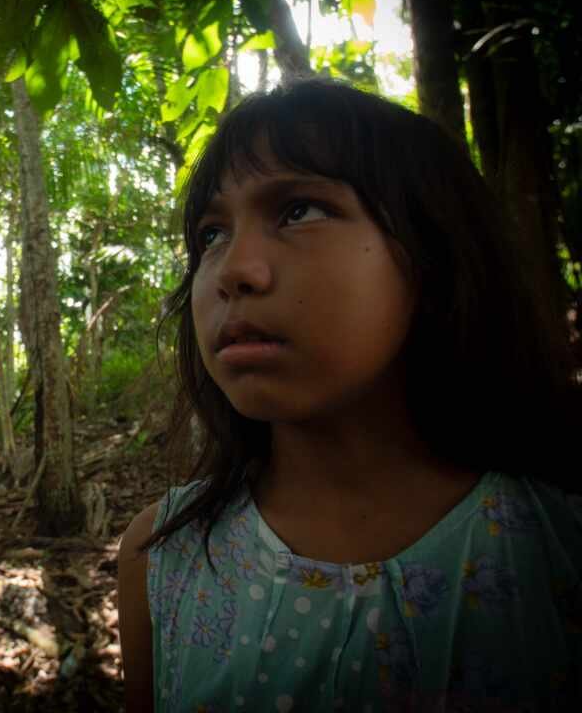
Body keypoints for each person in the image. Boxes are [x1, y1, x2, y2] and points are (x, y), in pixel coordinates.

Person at [116, 78, 581, 712]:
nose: (233, 271)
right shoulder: (163, 558)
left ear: (432, 252)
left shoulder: (557, 542)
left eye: (299, 210)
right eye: (210, 235)